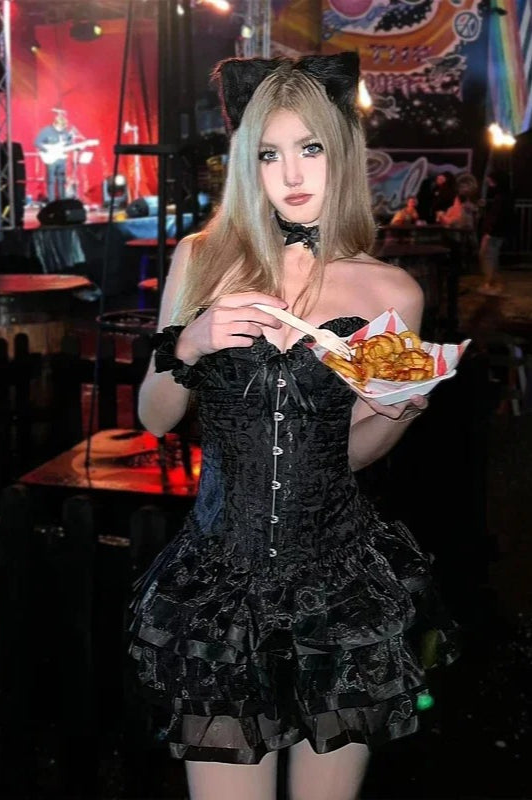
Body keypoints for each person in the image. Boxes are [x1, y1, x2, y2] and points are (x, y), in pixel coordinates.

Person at [128, 52, 459, 800]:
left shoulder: (392, 291)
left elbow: (351, 455)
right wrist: (189, 345)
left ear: (340, 151)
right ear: (248, 164)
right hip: (218, 588)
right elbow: (153, 418)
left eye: (309, 147)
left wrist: (396, 412)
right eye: (269, 154)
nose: (292, 174)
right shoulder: (200, 260)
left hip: (339, 592)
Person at [477, 170, 514, 295]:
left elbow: (497, 216)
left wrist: (489, 231)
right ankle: (492, 282)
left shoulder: (501, 198)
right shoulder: (504, 196)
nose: (489, 182)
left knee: (488, 256)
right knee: (491, 256)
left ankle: (490, 283)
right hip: (497, 232)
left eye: (491, 180)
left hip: (494, 233)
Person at [34, 109, 74, 202]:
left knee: (61, 180)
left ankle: (62, 201)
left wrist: (74, 146)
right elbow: (37, 142)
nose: (61, 129)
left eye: (63, 127)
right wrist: (48, 149)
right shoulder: (46, 131)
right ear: (55, 124)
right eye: (60, 127)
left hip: (61, 158)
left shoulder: (65, 132)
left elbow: (69, 144)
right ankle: (51, 202)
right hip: (51, 158)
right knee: (51, 181)